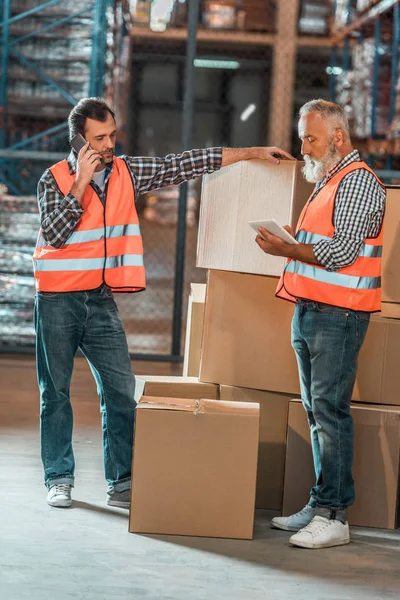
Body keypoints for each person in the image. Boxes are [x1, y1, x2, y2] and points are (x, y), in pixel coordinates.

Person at [34, 96, 293, 509]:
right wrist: (81, 182)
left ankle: (122, 482)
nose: (108, 145)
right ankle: (59, 478)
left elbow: (183, 163)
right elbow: (54, 235)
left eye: (112, 135)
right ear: (78, 142)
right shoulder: (53, 179)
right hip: (56, 302)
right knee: (56, 393)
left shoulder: (126, 172)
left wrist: (252, 152)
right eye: (99, 139)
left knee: (120, 390)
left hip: (99, 302)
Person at [255, 99, 386, 550]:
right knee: (316, 412)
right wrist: (293, 239)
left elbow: (342, 253)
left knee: (330, 412)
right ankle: (320, 501)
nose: (303, 147)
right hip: (313, 308)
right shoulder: (329, 179)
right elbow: (324, 242)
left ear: (336, 136)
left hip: (339, 314)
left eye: (310, 138)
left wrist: (285, 250)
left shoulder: (357, 183)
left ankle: (336, 515)